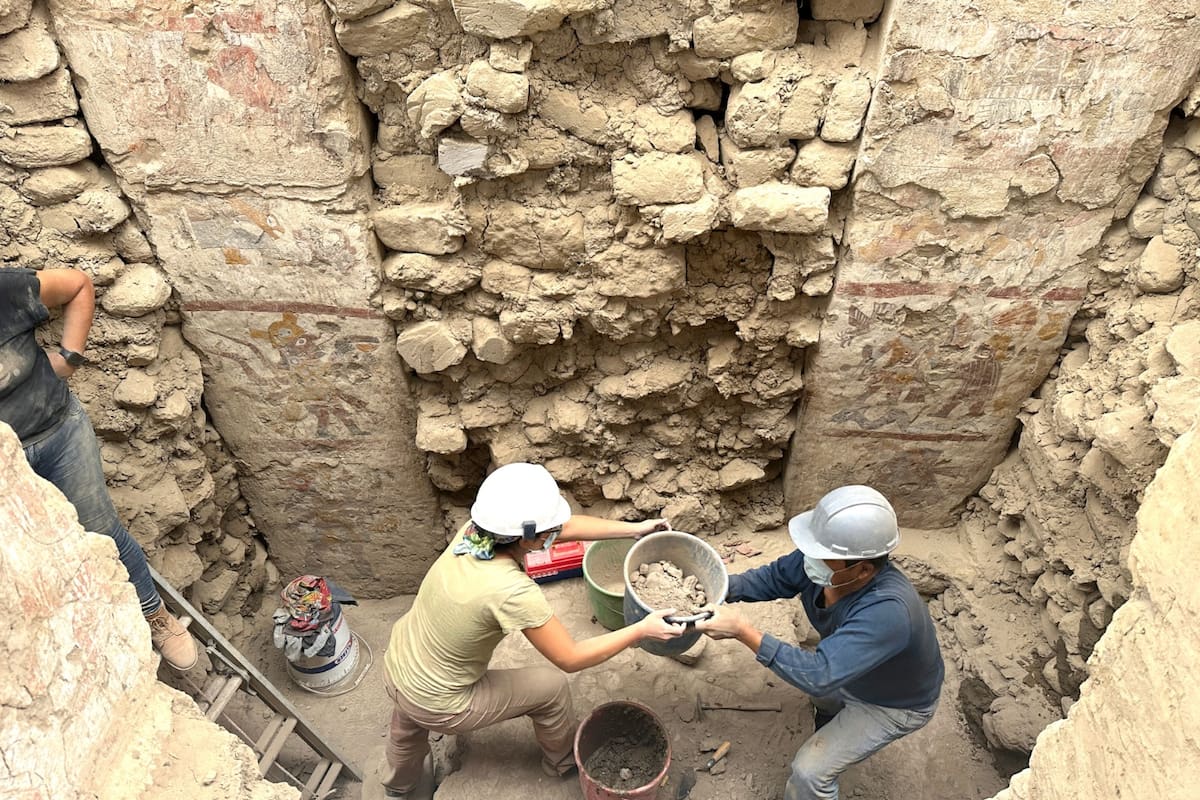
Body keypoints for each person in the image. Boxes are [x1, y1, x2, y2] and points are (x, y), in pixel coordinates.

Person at [381, 462, 684, 799]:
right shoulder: (511, 590)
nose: (557, 530)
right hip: (442, 703)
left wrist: (635, 529)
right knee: (551, 687)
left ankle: (399, 786)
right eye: (548, 529)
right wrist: (641, 629)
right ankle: (562, 762)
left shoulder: (475, 532)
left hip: (398, 664)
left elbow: (555, 529)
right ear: (528, 536)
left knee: (407, 723)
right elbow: (569, 658)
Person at [0, 267, 198, 670]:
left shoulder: (4, 291)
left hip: (59, 434)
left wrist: (69, 358)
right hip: (7, 470)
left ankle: (155, 616)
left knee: (101, 529)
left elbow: (77, 284)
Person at [696, 485, 943, 800]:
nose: (809, 559)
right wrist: (720, 587)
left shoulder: (890, 611)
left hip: (893, 702)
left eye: (822, 556)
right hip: (850, 671)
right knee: (824, 691)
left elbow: (820, 674)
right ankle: (830, 714)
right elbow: (774, 578)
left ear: (864, 569)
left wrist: (744, 632)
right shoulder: (824, 563)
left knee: (809, 773)